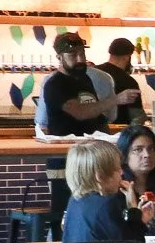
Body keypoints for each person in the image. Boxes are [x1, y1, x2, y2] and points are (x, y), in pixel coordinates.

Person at [41, 33, 139, 229]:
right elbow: (80, 112)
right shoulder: (55, 84)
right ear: (59, 57)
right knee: (66, 213)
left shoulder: (84, 78)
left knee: (92, 211)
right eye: (73, 55)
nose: (80, 59)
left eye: (82, 54)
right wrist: (116, 99)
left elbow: (94, 112)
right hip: (66, 160)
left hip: (89, 157)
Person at [59, 140, 145, 243]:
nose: (122, 172)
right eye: (118, 169)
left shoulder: (74, 201)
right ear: (100, 176)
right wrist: (133, 209)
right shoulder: (106, 205)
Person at [99, 37, 147, 125]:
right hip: (119, 131)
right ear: (127, 57)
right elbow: (137, 116)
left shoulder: (94, 73)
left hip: (92, 129)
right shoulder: (129, 82)